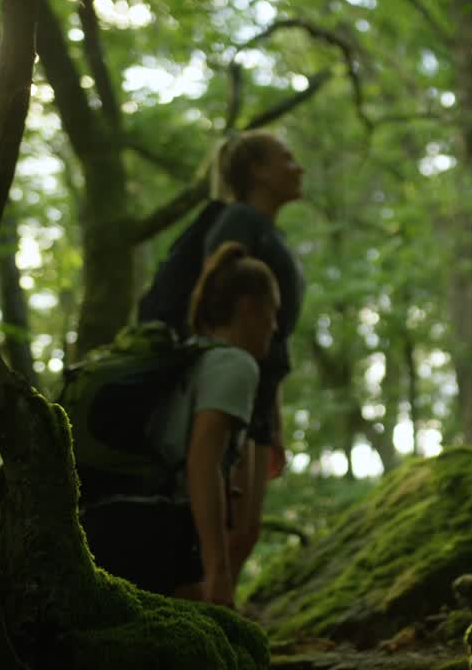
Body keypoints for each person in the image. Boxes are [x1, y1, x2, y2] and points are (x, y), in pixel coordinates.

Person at [138, 130, 306, 598]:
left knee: (244, 530)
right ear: (256, 170)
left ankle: (208, 628)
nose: (299, 168)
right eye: (286, 158)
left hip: (255, 391)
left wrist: (274, 422)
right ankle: (196, 629)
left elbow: (272, 339)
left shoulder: (272, 234)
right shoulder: (237, 220)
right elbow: (222, 304)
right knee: (219, 532)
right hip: (225, 386)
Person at [83, 241, 280, 606]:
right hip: (148, 534)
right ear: (250, 308)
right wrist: (217, 573)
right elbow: (202, 464)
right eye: (273, 312)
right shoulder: (236, 365)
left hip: (108, 523)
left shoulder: (194, 356)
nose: (275, 326)